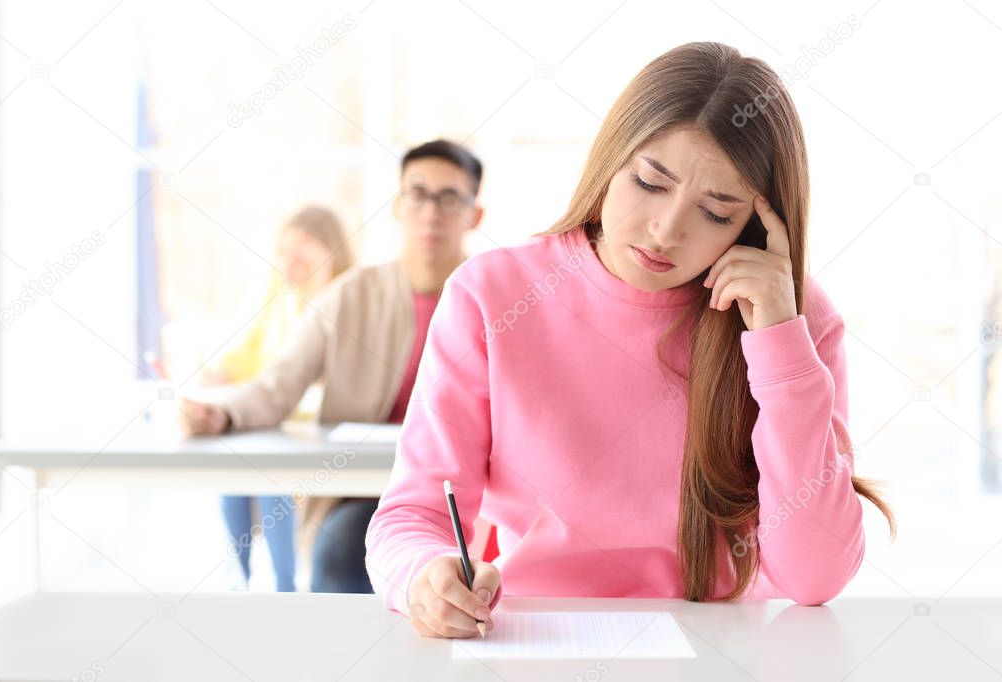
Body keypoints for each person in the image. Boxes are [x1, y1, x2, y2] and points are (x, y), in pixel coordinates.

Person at [364, 42, 896, 639]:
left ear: (755, 224)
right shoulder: (491, 294)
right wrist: (421, 580)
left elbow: (814, 576)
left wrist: (779, 345)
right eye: (649, 182)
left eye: (716, 213)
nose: (666, 230)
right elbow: (410, 517)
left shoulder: (793, 318)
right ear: (610, 161)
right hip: (538, 644)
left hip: (724, 655)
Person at [179, 139, 485, 593]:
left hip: (466, 504)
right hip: (366, 496)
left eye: (449, 198)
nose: (431, 212)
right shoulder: (351, 294)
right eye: (418, 195)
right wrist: (223, 412)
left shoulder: (493, 296)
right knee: (340, 552)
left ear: (474, 215)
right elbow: (279, 382)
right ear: (399, 205)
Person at [206, 205, 353, 591]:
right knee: (232, 476)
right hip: (278, 427)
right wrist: (221, 374)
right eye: (284, 250)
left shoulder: (346, 300)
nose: (290, 261)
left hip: (320, 433)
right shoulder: (280, 299)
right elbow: (250, 357)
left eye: (303, 249)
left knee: (271, 479)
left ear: (331, 251)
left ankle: (285, 588)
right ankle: (240, 578)